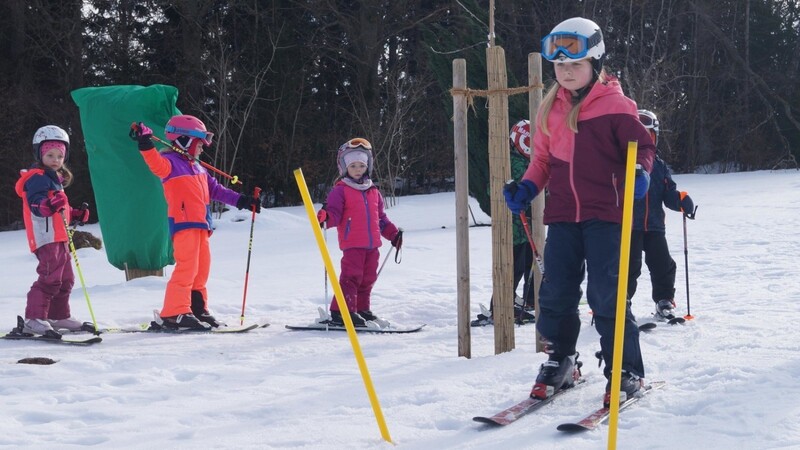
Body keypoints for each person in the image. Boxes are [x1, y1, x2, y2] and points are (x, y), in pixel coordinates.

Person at [503, 17, 656, 407]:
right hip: (563, 215)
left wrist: (639, 172)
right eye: (560, 66)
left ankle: (626, 369)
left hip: (606, 213)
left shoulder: (616, 106)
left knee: (607, 294)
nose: (567, 72)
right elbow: (541, 162)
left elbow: (645, 149)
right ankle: (562, 359)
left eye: (575, 64)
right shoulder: (548, 109)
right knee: (554, 293)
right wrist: (527, 188)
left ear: (595, 63)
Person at [131, 115, 263, 330]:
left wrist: (244, 201)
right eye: (199, 144)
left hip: (202, 225)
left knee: (201, 270)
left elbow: (217, 191)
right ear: (184, 141)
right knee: (187, 267)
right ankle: (174, 313)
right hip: (184, 223)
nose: (202, 149)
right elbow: (155, 164)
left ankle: (196, 309)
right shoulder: (170, 163)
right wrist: (145, 144)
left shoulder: (198, 168)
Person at [316, 138, 402, 327]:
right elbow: (334, 215)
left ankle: (362, 309)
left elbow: (381, 219)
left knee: (368, 278)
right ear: (345, 167)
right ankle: (341, 312)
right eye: (353, 165)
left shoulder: (373, 191)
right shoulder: (341, 190)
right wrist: (325, 217)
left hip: (372, 245)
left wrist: (393, 235)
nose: (357, 169)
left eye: (361, 165)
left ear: (367, 166)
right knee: (351, 277)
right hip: (352, 243)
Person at [15, 125, 91, 337]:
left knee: (66, 279)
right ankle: (33, 318)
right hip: (45, 237)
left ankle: (57, 316)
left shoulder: (54, 179)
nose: (56, 159)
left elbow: (60, 208)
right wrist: (48, 205)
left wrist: (75, 214)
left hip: (59, 237)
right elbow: (37, 203)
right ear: (40, 154)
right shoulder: (37, 177)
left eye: (60, 156)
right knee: (50, 278)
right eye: (50, 155)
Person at [628, 110, 695, 321]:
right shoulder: (622, 163)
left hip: (655, 225)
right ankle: (620, 302)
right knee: (629, 266)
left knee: (663, 264)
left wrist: (680, 199)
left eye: (648, 136)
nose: (643, 141)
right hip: (628, 226)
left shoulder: (659, 166)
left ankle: (664, 299)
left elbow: (668, 193)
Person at [472, 119, 536, 326]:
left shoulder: (526, 163)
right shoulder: (513, 164)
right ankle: (500, 306)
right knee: (513, 269)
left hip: (525, 228)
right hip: (514, 229)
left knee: (526, 266)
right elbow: (495, 190)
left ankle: (519, 302)